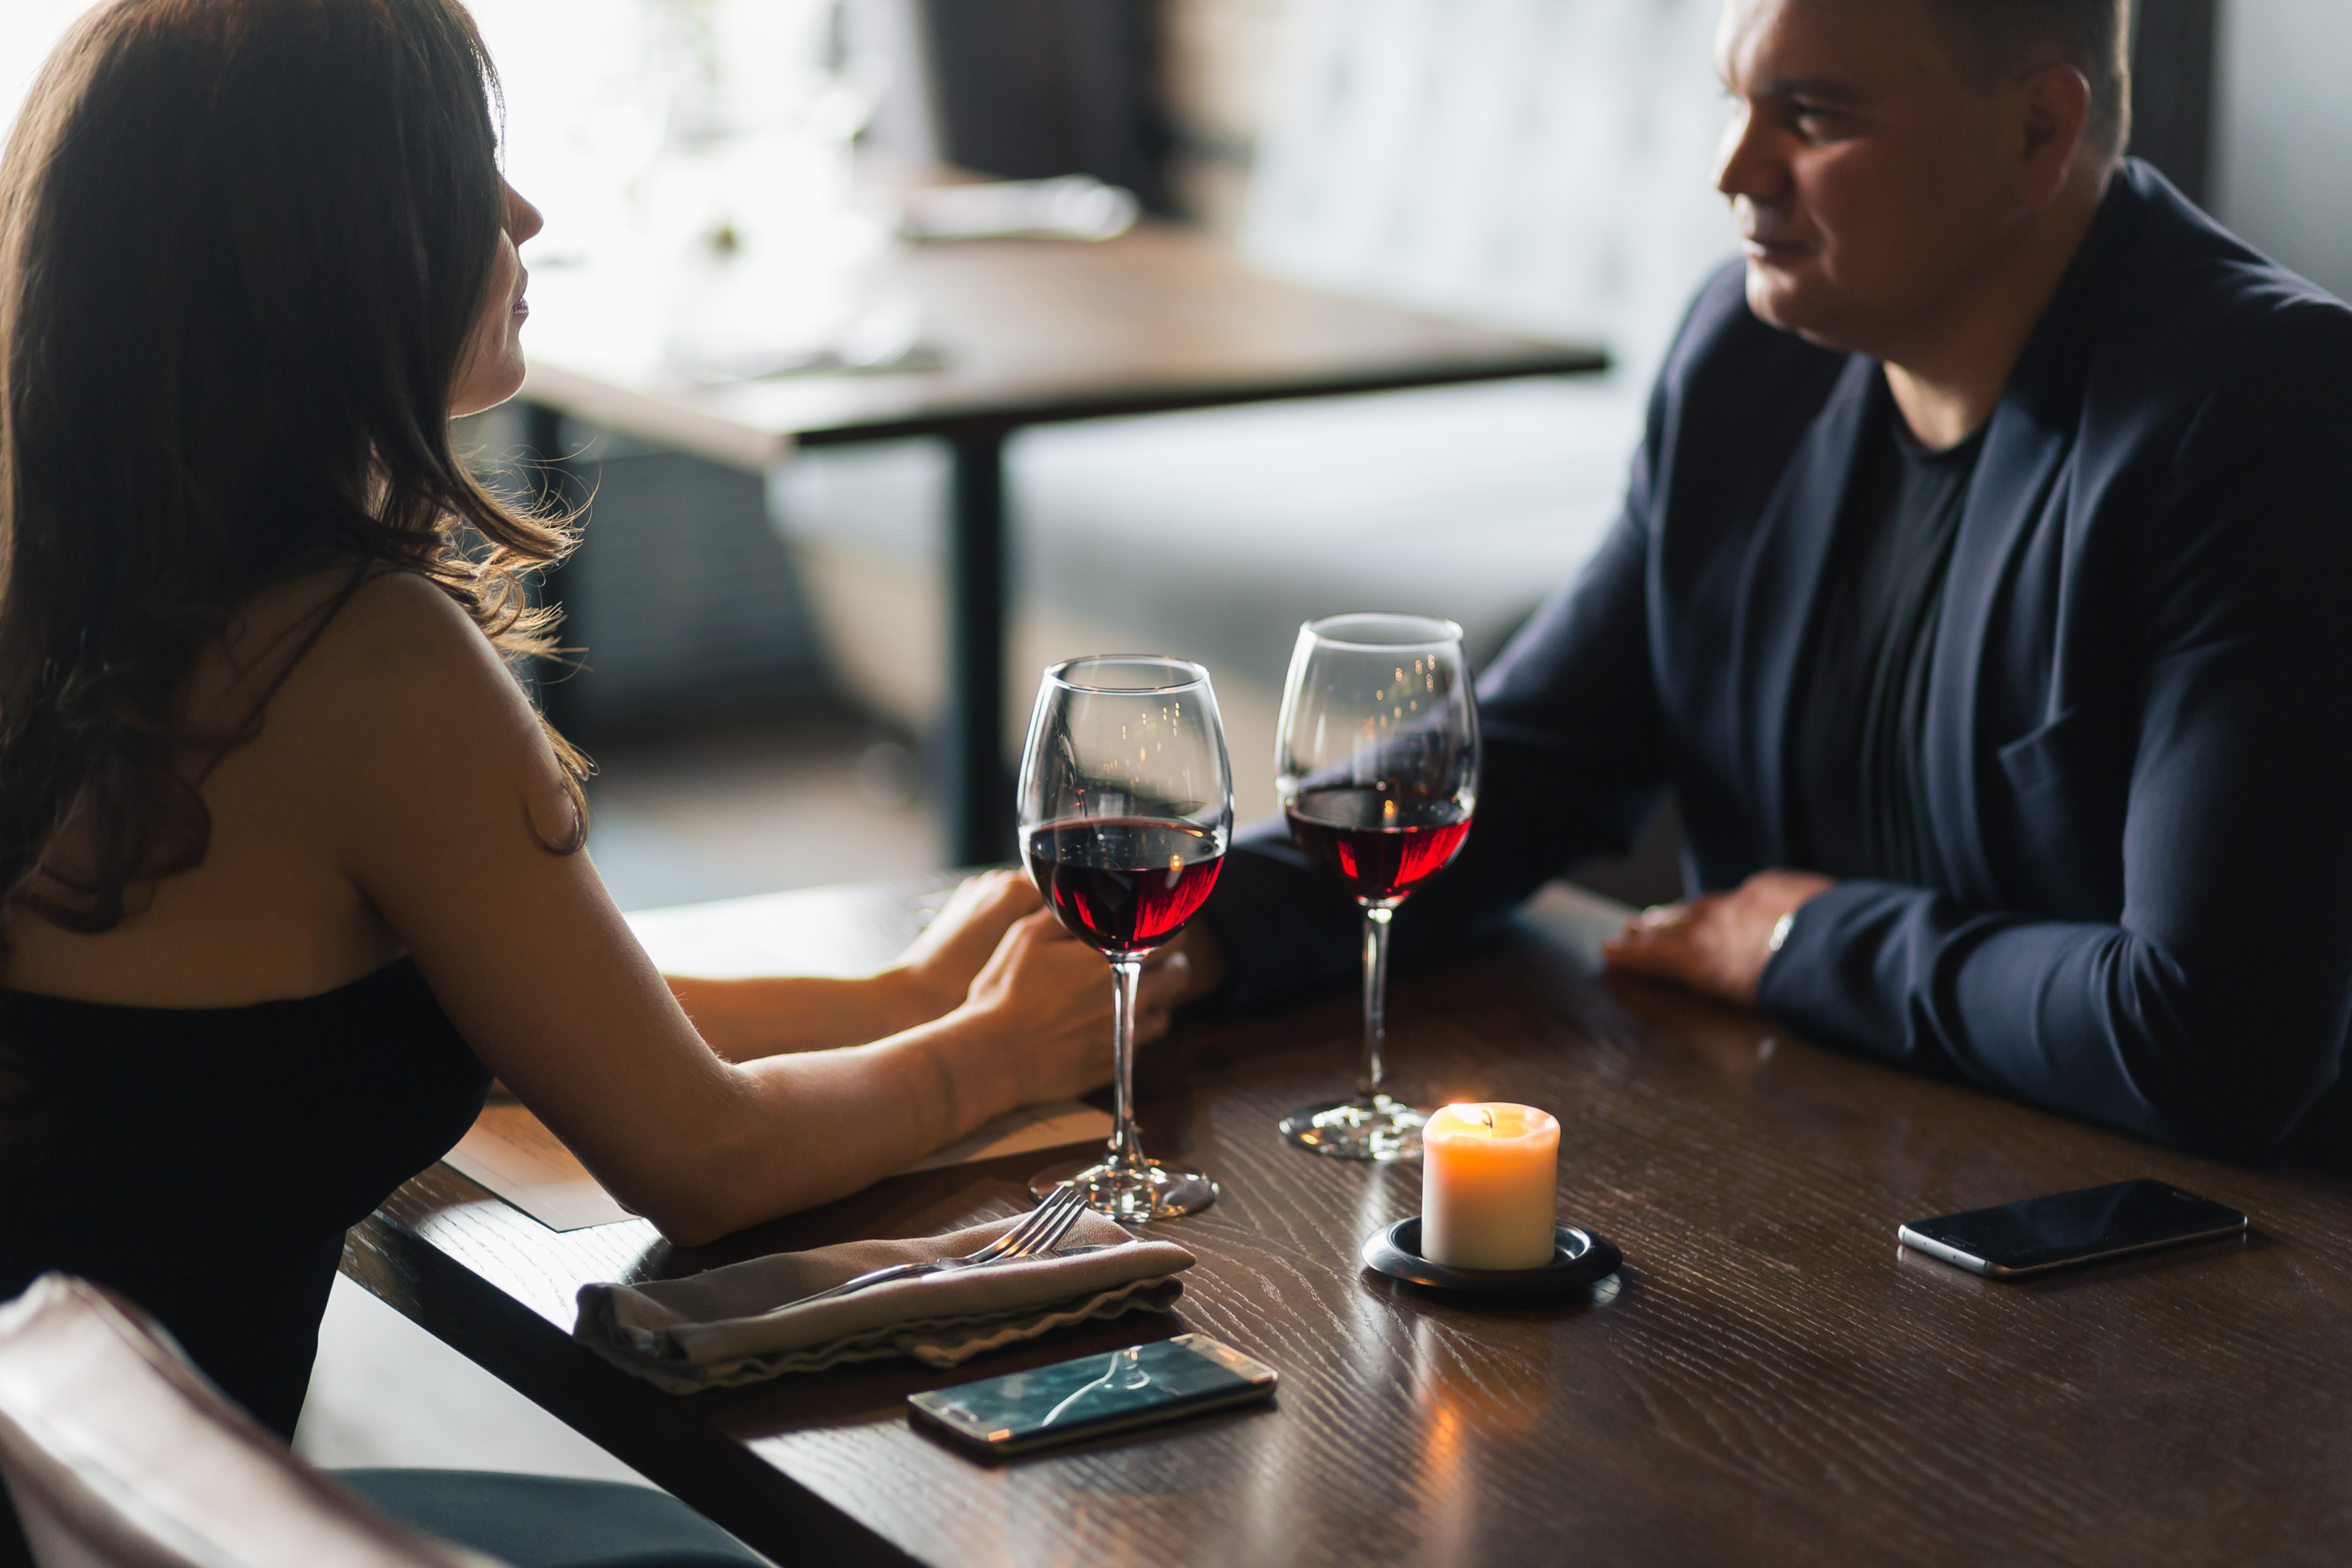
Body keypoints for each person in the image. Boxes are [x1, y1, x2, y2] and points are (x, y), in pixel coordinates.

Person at [0, 0, 1184, 1464]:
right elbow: (707, 1161)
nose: (522, 210)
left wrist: (904, 989)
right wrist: (990, 1055)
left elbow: (517, 1002)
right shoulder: (353, 656)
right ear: (318, 251)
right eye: (459, 169)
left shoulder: (78, 597)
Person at [1190, 0, 2352, 1169]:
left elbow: (2209, 1036)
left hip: (2164, 1274)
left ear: (2039, 133)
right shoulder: (1746, 359)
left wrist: (1803, 940)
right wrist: (1193, 925)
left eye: (1811, 116)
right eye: (1733, 102)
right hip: (1798, 1171)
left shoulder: (2268, 407)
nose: (1732, 170)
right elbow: (1530, 759)